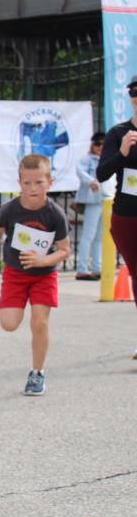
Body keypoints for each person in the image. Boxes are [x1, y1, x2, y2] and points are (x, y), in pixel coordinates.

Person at [0, 154, 69, 395]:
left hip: (44, 275)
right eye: (27, 183)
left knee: (39, 322)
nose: (33, 188)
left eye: (39, 182)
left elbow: (64, 250)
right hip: (15, 273)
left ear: (50, 183)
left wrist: (43, 260)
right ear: (19, 183)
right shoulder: (10, 209)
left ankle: (37, 373)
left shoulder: (55, 214)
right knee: (9, 324)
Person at [97, 72, 137, 359]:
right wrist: (122, 152)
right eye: (134, 93)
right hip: (127, 215)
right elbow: (102, 174)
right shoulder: (118, 133)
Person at [74, 132, 111, 280]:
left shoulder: (108, 158)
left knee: (99, 236)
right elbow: (80, 171)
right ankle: (82, 268)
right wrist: (90, 181)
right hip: (93, 200)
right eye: (97, 143)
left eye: (103, 144)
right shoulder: (87, 159)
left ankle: (97, 267)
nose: (100, 147)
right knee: (88, 234)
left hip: (106, 199)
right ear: (92, 144)